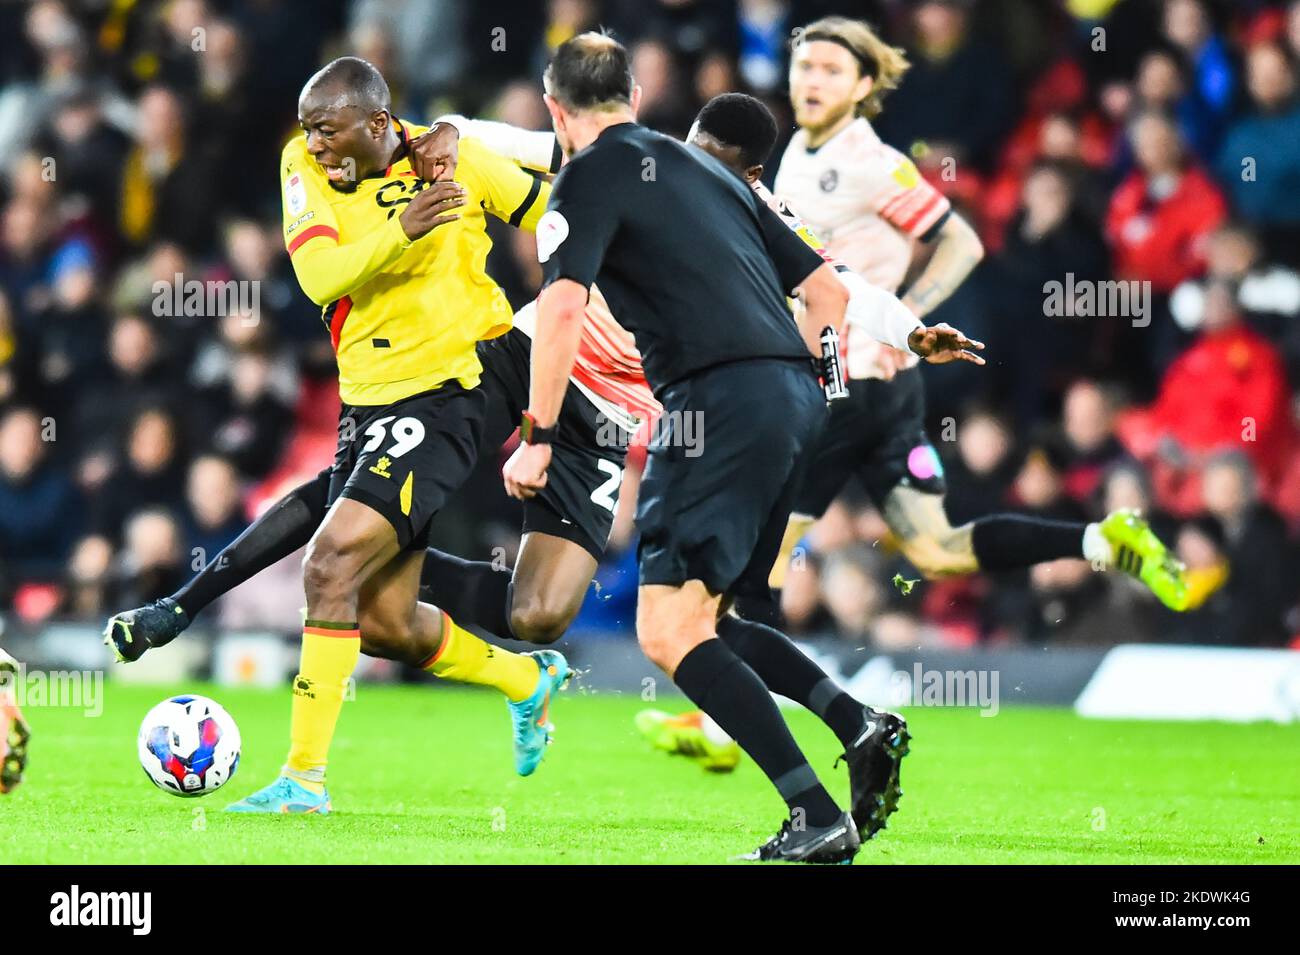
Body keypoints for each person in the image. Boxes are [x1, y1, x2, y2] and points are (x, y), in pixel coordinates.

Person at [637, 21, 1189, 771]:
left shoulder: (872, 162)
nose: (812, 81)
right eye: (805, 67)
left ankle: (731, 728)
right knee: (935, 546)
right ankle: (1101, 538)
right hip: (881, 392)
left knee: (753, 566)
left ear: (865, 86)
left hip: (844, 384)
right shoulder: (797, 150)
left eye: (832, 69)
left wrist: (910, 319)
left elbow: (959, 239)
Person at [506, 32, 970, 863]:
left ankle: (815, 813)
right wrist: (822, 387)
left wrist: (538, 436)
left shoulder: (587, 177)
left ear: (554, 109)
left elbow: (565, 309)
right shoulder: (716, 174)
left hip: (715, 402)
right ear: (637, 99)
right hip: (793, 397)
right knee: (715, 613)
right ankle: (856, 723)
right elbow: (827, 287)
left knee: (665, 628)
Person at [135, 56, 561, 816]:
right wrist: (402, 228)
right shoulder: (302, 162)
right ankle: (528, 679)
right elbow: (322, 276)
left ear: (375, 124)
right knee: (384, 623)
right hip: (367, 399)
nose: (314, 144)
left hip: (450, 389)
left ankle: (303, 779)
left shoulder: (452, 158)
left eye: (327, 129)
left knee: (330, 560)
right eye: (308, 129)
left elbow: (560, 217)